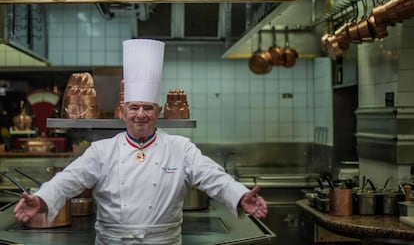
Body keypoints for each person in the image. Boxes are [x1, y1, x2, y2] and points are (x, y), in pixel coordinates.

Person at [14, 39, 268, 245]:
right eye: (134, 107)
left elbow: (214, 177)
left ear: (157, 112)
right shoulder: (103, 150)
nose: (140, 114)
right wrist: (42, 199)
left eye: (148, 108)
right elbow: (68, 180)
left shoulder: (180, 148)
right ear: (123, 112)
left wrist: (239, 195)